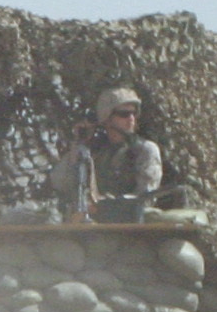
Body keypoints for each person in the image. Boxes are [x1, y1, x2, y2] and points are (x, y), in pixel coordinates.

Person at [55, 87, 169, 223]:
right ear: (107, 118)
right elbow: (58, 181)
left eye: (133, 113)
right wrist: (79, 144)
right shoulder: (94, 151)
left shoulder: (145, 150)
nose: (131, 119)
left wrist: (105, 206)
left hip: (129, 227)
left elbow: (144, 199)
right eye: (124, 114)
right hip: (93, 226)